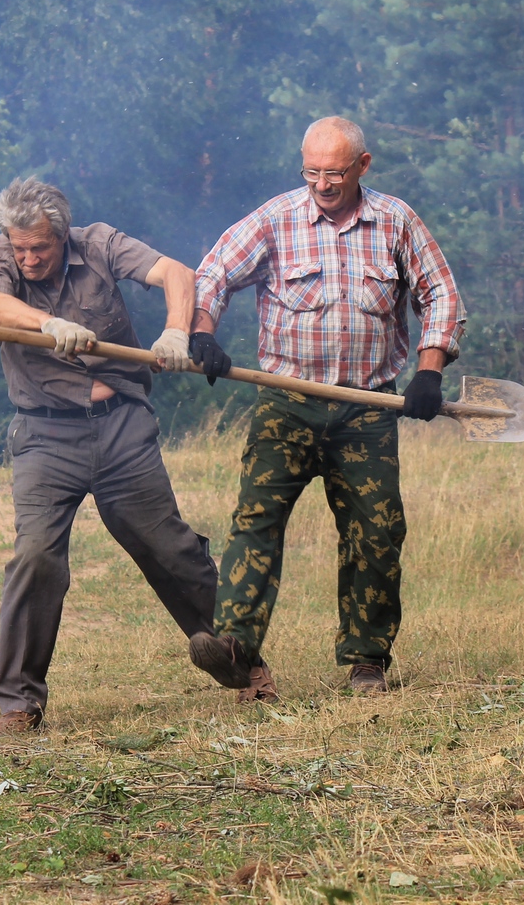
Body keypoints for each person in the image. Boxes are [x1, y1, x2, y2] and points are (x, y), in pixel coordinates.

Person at [186, 117, 465, 700]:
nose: (322, 184)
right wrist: (204, 332)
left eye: (334, 173)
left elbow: (439, 291)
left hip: (366, 408)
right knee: (256, 522)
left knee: (376, 533)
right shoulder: (276, 219)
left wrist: (429, 371)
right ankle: (235, 647)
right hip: (286, 403)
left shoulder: (396, 221)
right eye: (311, 172)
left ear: (363, 166)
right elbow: (213, 271)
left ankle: (367, 661)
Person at [0, 176, 217, 733]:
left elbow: (177, 273)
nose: (28, 259)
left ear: (62, 236)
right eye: (20, 248)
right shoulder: (1, 255)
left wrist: (175, 332)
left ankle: (238, 658)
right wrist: (47, 322)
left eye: (39, 248)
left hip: (122, 427)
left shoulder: (100, 243)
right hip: (44, 435)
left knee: (172, 548)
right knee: (36, 557)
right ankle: (19, 706)